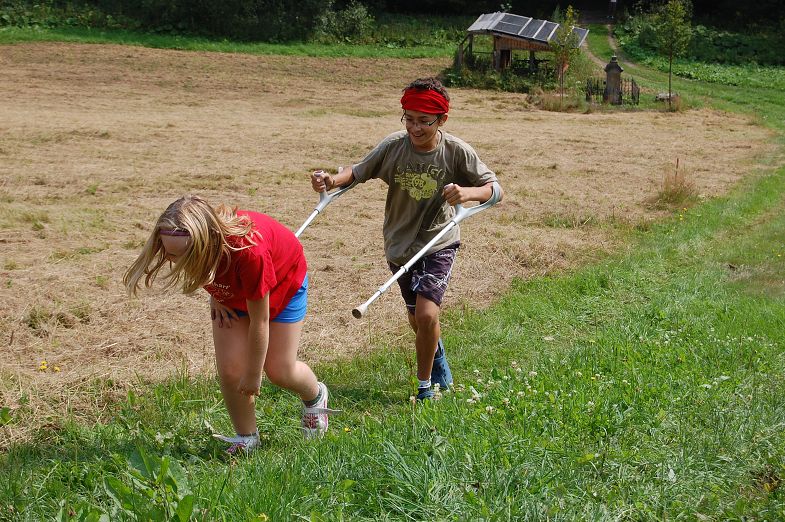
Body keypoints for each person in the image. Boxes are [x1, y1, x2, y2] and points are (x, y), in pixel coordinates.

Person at [311, 77, 503, 401]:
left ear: (442, 119)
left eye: (424, 121)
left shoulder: (456, 151)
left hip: (438, 242)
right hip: (399, 246)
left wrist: (467, 193)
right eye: (409, 119)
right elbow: (358, 172)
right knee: (418, 320)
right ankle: (436, 355)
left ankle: (426, 388)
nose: (415, 128)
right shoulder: (394, 146)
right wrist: (330, 180)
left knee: (427, 315)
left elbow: (495, 189)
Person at [124, 195, 334, 454]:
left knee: (279, 370)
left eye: (178, 255)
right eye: (167, 252)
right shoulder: (188, 246)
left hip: (283, 283)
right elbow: (205, 267)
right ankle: (247, 438)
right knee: (231, 369)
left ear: (206, 243)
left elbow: (260, 320)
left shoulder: (250, 252)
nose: (170, 259)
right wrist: (218, 294)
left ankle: (314, 397)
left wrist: (254, 374)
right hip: (236, 288)